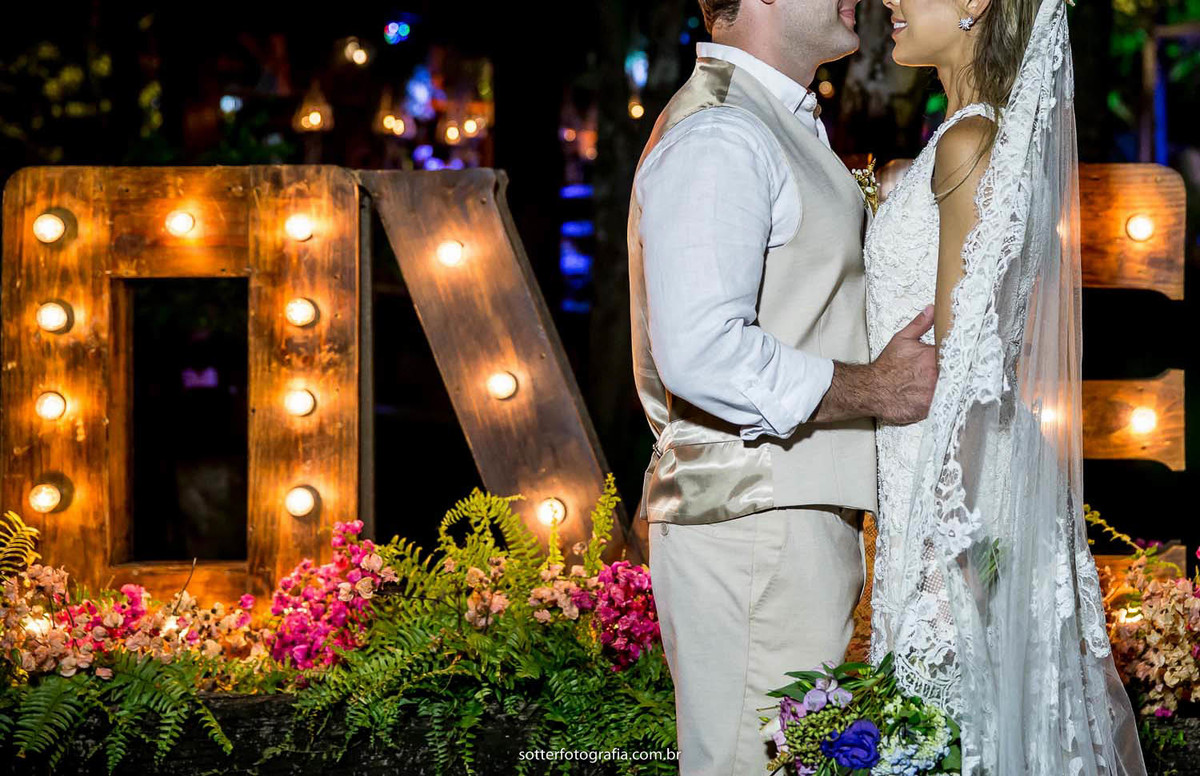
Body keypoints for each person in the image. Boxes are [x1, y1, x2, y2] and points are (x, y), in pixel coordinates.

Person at [626, 0, 938, 771]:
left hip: (779, 513)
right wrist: (875, 388)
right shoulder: (721, 131)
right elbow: (701, 352)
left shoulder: (769, 120)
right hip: (753, 518)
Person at [864, 0, 1149, 769]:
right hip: (939, 476)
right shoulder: (964, 137)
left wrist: (938, 552)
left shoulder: (969, 141)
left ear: (973, 4)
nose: (889, 1)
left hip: (947, 487)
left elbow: (965, 362)